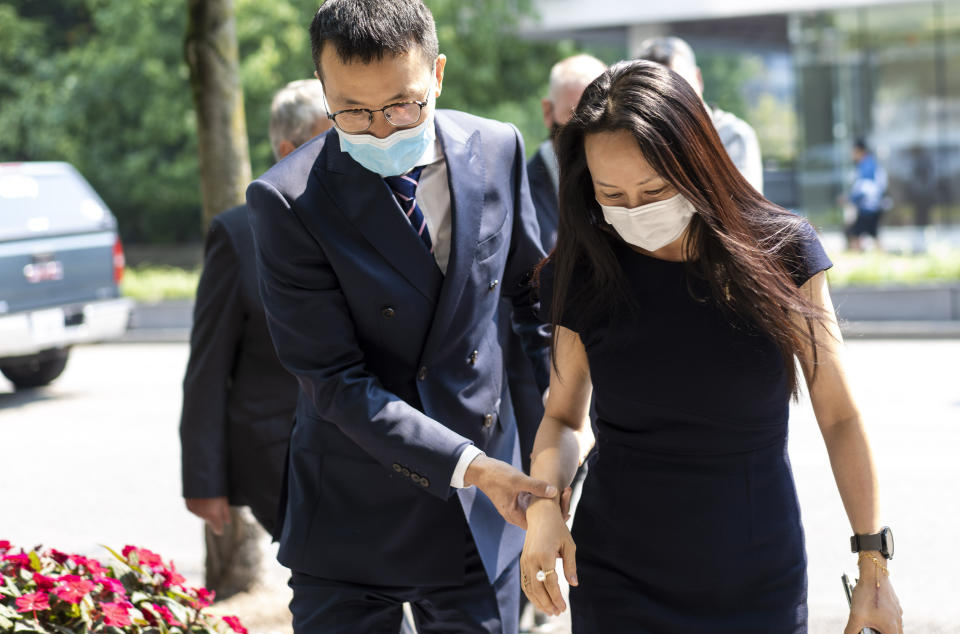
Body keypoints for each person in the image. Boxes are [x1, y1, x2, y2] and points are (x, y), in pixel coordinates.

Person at [518, 60, 903, 634]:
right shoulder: (585, 269)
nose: (635, 211)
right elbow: (565, 419)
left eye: (653, 190)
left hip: (754, 567)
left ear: (696, 162)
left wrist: (873, 564)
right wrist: (546, 505)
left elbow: (840, 416)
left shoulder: (781, 252)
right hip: (618, 569)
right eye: (611, 195)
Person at [245, 1, 560, 632]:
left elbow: (534, 303)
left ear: (437, 74)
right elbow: (333, 380)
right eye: (353, 112)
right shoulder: (286, 199)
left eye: (402, 105)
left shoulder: (497, 148)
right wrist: (472, 466)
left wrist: (561, 429)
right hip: (353, 508)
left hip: (483, 516)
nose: (381, 131)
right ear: (324, 92)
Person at [181, 79, 330, 539]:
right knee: (327, 579)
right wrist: (202, 481)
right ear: (288, 147)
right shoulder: (237, 234)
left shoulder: (373, 219)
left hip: (361, 445)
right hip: (276, 452)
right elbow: (208, 365)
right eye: (330, 139)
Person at [636, 36, 764, 194]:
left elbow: (745, 209)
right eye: (656, 90)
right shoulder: (638, 139)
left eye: (679, 84)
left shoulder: (732, 134)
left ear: (698, 78)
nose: (672, 96)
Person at [846, 139, 889, 252]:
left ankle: (857, 257)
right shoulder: (870, 163)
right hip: (872, 205)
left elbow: (865, 188)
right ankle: (881, 255)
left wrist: (851, 199)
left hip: (868, 206)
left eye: (854, 152)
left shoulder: (867, 166)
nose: (852, 155)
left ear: (860, 151)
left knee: (856, 234)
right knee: (872, 234)